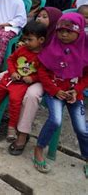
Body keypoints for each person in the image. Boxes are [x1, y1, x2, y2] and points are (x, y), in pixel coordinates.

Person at [0, 7, 63, 156]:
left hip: (42, 78)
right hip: (22, 70)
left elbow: (51, 69)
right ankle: (7, 114)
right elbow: (16, 58)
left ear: (54, 22)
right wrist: (15, 70)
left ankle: (23, 133)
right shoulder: (31, 36)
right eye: (39, 16)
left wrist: (34, 78)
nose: (40, 19)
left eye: (45, 17)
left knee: (31, 95)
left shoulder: (56, 42)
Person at [33, 13, 88, 175]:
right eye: (60, 30)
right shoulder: (52, 46)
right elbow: (42, 72)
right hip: (54, 91)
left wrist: (76, 90)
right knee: (55, 120)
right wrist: (55, 90)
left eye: (69, 31)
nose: (63, 35)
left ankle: (86, 156)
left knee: (82, 128)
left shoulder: (85, 50)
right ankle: (39, 148)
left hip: (74, 94)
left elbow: (86, 76)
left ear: (79, 32)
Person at [0, 21, 46, 141]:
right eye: (25, 39)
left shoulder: (43, 56)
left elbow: (43, 72)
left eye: (30, 40)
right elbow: (11, 60)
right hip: (10, 78)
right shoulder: (22, 49)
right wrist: (13, 72)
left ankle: (12, 127)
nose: (26, 42)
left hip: (21, 84)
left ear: (41, 40)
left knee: (15, 102)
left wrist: (32, 78)